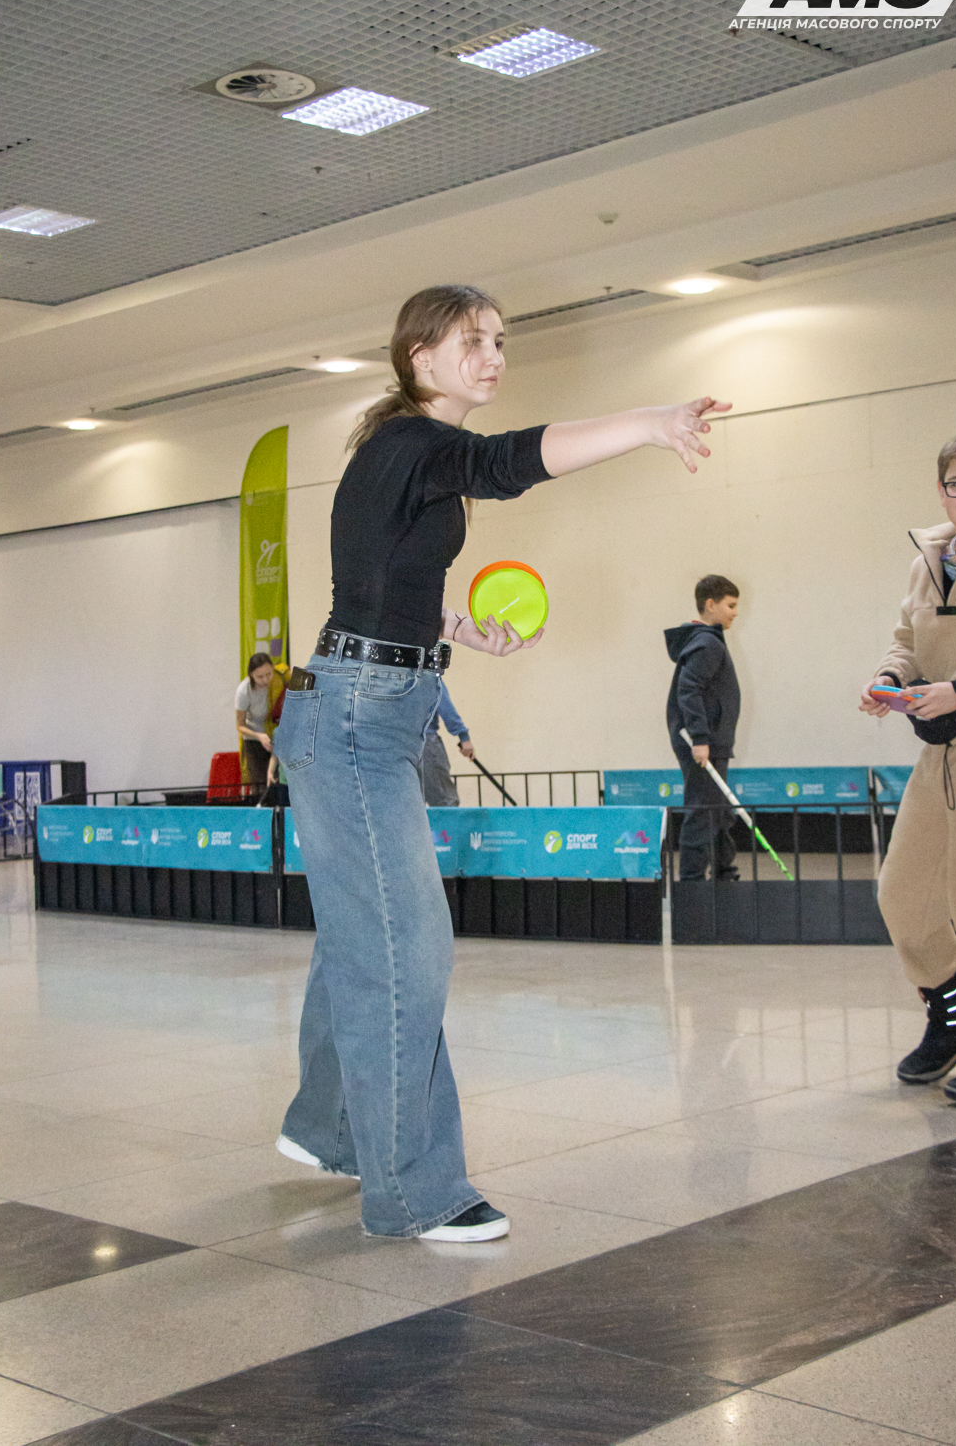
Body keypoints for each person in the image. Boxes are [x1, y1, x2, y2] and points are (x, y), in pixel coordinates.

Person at [272, 282, 729, 1242]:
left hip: (376, 708)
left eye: (500, 342)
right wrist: (647, 423)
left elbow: (374, 584)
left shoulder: (406, 452)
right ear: (419, 356)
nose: (494, 357)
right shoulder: (410, 443)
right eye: (473, 341)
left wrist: (455, 630)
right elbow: (508, 462)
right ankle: (414, 1192)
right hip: (354, 718)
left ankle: (329, 1126)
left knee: (365, 933)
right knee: (406, 946)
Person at [860, 429, 956, 1104]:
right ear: (940, 490)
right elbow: (907, 640)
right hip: (939, 749)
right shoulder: (929, 558)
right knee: (903, 892)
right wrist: (890, 677)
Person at [665, 575, 741, 882]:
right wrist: (700, 738)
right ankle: (691, 885)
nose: (736, 612)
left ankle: (725, 874)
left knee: (718, 812)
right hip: (701, 744)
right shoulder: (707, 643)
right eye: (730, 605)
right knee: (702, 812)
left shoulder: (707, 640)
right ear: (711, 605)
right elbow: (689, 690)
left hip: (711, 742)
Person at [234, 653, 283, 795]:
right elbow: (240, 726)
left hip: (276, 738)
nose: (265, 680)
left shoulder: (279, 682)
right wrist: (259, 736)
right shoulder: (244, 690)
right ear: (251, 675)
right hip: (254, 741)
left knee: (278, 783)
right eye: (260, 677)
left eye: (269, 674)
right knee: (259, 786)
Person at [420, 679, 474, 806]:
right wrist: (463, 737)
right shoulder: (428, 675)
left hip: (396, 744)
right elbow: (445, 707)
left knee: (411, 803)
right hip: (426, 742)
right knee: (445, 800)